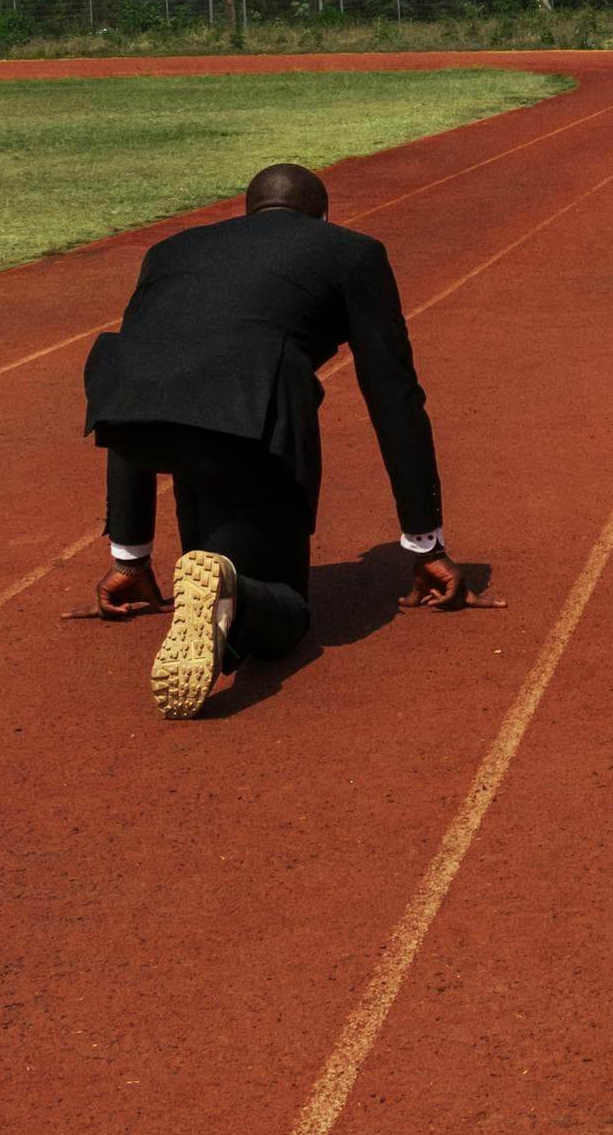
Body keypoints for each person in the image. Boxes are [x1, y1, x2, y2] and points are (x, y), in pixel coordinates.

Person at [84, 161, 467, 718]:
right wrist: (424, 542)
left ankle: (207, 579)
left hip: (141, 418)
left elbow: (138, 382)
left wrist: (130, 553)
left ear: (246, 213)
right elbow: (394, 395)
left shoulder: (169, 251)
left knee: (209, 544)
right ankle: (235, 596)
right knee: (283, 616)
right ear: (323, 216)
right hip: (252, 418)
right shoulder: (351, 251)